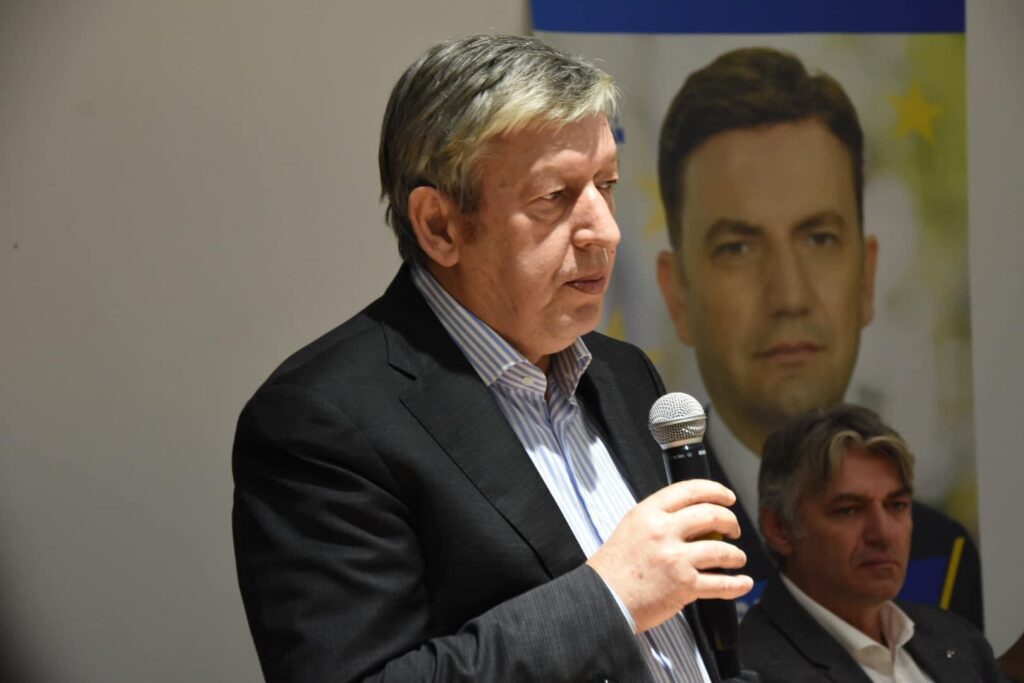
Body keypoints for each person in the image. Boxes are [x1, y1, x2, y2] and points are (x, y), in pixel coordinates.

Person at [232, 34, 757, 683]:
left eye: (606, 185)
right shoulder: (322, 421)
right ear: (440, 226)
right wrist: (611, 596)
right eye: (554, 197)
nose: (606, 230)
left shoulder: (625, 374)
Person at [654, 46, 981, 626]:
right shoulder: (639, 545)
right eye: (738, 247)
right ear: (678, 294)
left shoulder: (939, 558)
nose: (789, 295)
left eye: (820, 239)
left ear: (867, 278)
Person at [739, 404, 1008, 682]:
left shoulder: (957, 639)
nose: (883, 534)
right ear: (780, 529)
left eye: (897, 505)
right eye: (848, 510)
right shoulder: (750, 668)